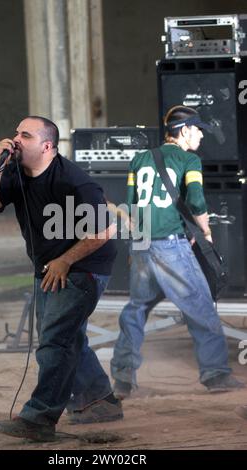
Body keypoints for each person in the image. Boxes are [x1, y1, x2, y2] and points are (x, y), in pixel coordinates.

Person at [0, 116, 123, 442]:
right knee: (68, 336)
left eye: (24, 135)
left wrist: (65, 260)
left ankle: (39, 417)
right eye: (15, 133)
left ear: (46, 146)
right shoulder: (14, 174)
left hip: (85, 265)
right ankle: (99, 401)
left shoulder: (74, 180)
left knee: (55, 340)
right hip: (49, 266)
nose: (15, 139)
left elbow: (106, 230)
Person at [110, 105, 245, 398]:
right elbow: (196, 203)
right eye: (198, 130)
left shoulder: (139, 160)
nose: (200, 136)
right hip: (171, 245)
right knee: (201, 305)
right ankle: (216, 375)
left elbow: (131, 207)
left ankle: (122, 378)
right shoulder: (189, 160)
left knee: (137, 309)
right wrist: (205, 233)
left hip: (144, 244)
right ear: (184, 131)